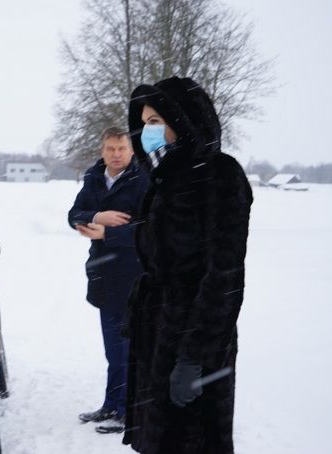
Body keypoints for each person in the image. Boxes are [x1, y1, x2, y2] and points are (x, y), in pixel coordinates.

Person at [123, 76, 253, 453]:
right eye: (144, 122)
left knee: (191, 442)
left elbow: (224, 277)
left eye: (154, 121)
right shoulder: (164, 178)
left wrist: (193, 358)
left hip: (193, 339)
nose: (145, 131)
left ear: (181, 121)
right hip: (158, 334)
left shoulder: (219, 175)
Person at [68, 127, 149, 434]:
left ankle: (129, 413)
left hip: (134, 278)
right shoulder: (93, 178)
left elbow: (150, 228)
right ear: (102, 150)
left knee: (128, 350)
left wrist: (110, 234)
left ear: (131, 151)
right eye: (110, 148)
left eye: (121, 149)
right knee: (113, 350)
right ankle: (110, 405)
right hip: (104, 278)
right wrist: (98, 216)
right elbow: (74, 214)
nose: (115, 154)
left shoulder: (142, 180)